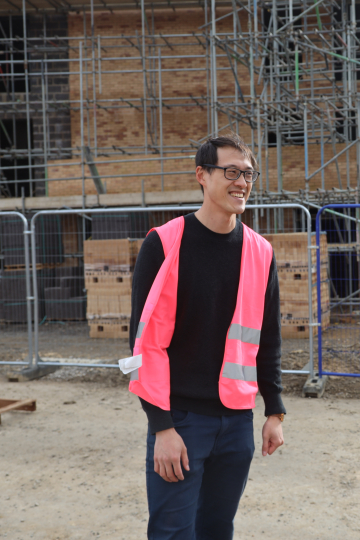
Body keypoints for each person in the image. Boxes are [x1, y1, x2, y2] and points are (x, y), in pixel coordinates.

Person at [119, 133, 285, 539]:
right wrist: (161, 427)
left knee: (216, 529)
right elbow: (143, 343)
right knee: (173, 531)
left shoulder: (260, 252)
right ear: (201, 176)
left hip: (235, 421)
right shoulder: (163, 244)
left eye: (248, 174)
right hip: (181, 420)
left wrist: (274, 411)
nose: (241, 182)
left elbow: (268, 339)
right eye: (230, 171)